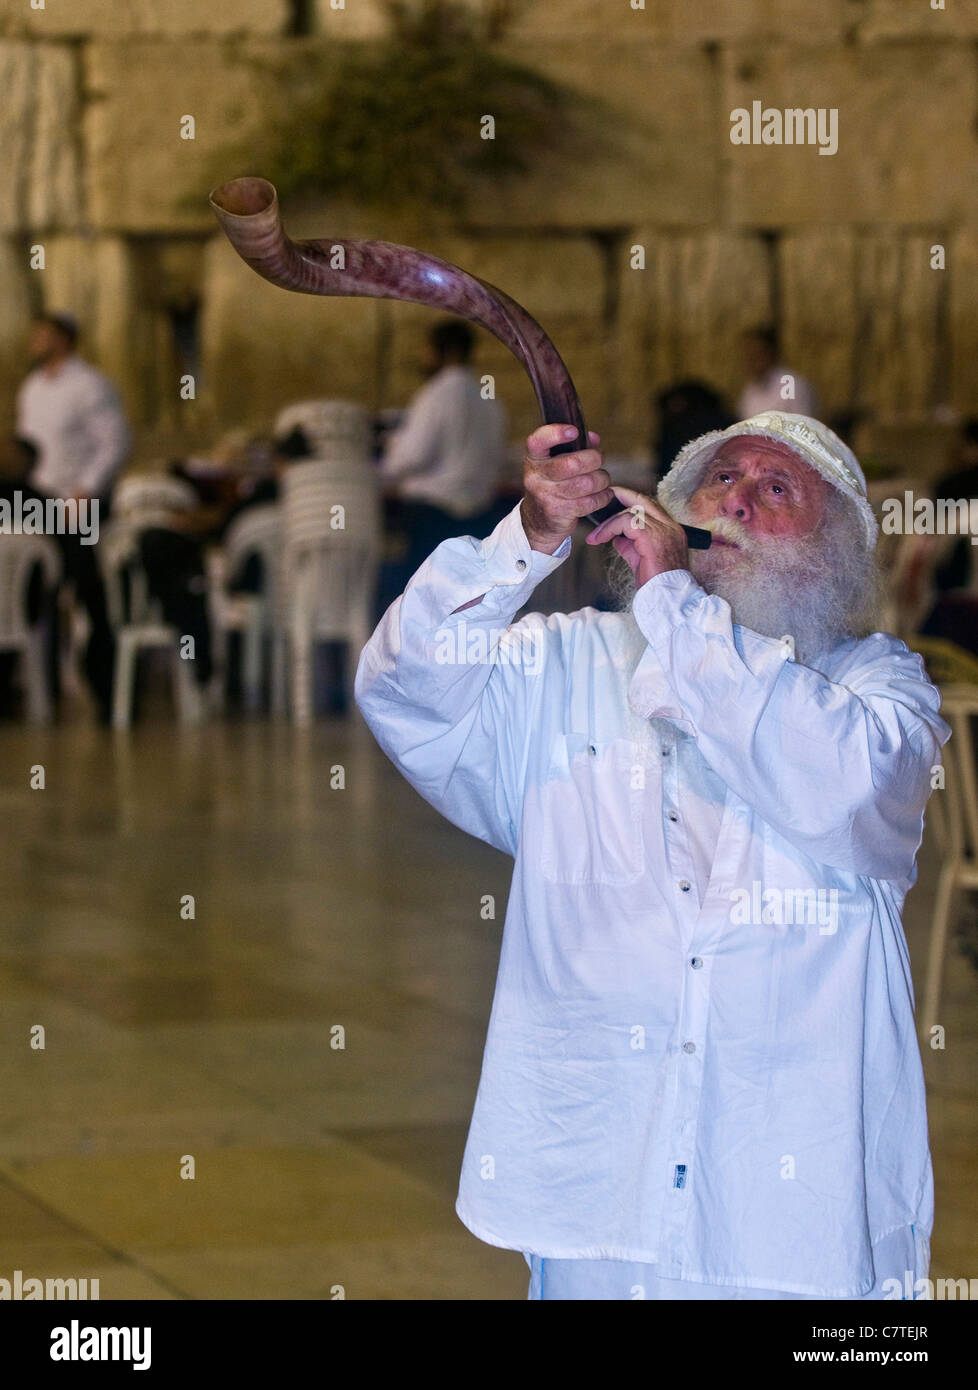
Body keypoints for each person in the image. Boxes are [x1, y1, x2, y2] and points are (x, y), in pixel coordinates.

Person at [355, 408, 950, 1301]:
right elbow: (403, 689)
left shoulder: (876, 687)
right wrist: (529, 535)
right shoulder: (567, 664)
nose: (737, 503)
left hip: (794, 1227)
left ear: (831, 551)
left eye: (776, 488)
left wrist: (675, 605)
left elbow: (845, 789)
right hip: (599, 1196)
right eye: (721, 480)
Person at [15, 312, 130, 720]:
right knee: (32, 588)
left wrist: (86, 489)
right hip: (39, 504)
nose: (35, 341)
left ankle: (107, 690)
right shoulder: (32, 388)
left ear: (62, 339)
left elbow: (115, 443)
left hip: (80, 503)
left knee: (88, 593)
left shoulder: (90, 385)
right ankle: (39, 690)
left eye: (42, 334)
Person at [378, 318, 507, 576]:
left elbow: (413, 455)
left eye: (428, 349)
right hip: (479, 518)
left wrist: (384, 466)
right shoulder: (490, 401)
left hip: (432, 518)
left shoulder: (437, 394)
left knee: (424, 591)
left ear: (448, 351)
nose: (424, 357)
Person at [738, 325, 818, 421]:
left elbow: (803, 424)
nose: (752, 360)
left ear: (772, 353)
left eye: (757, 354)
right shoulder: (749, 392)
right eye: (748, 355)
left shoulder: (791, 384)